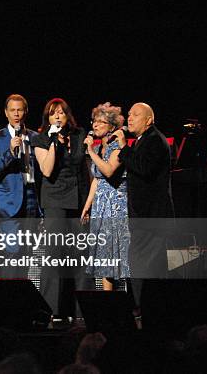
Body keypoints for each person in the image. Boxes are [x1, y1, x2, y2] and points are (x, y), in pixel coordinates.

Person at [31, 98, 92, 319]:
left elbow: (86, 168)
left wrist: (89, 200)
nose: (57, 116)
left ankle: (80, 310)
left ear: (68, 116)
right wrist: (54, 142)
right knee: (55, 255)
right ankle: (53, 310)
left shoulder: (79, 135)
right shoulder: (40, 139)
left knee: (80, 257)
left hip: (79, 199)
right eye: (53, 113)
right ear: (47, 118)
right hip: (55, 200)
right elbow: (47, 170)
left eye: (61, 113)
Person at [111, 102, 175, 306]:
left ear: (148, 120)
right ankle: (141, 309)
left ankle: (143, 311)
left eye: (135, 115)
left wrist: (123, 147)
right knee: (141, 265)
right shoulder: (143, 140)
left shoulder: (155, 140)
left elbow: (143, 168)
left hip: (152, 218)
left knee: (146, 267)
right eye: (128, 114)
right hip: (144, 218)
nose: (129, 118)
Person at [0, 94, 41, 278]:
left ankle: (24, 301)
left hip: (32, 201)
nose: (16, 114)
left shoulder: (35, 137)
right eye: (12, 110)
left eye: (20, 110)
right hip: (10, 205)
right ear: (6, 113)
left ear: (25, 112)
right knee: (12, 254)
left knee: (27, 256)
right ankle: (10, 302)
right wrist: (9, 152)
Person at [81, 102, 130, 290]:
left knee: (115, 254)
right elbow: (97, 179)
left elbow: (108, 171)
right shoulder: (99, 147)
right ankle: (107, 302)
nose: (95, 125)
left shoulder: (116, 145)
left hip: (116, 206)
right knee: (103, 256)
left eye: (101, 122)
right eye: (94, 121)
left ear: (112, 126)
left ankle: (130, 303)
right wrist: (88, 205)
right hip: (101, 205)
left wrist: (90, 151)